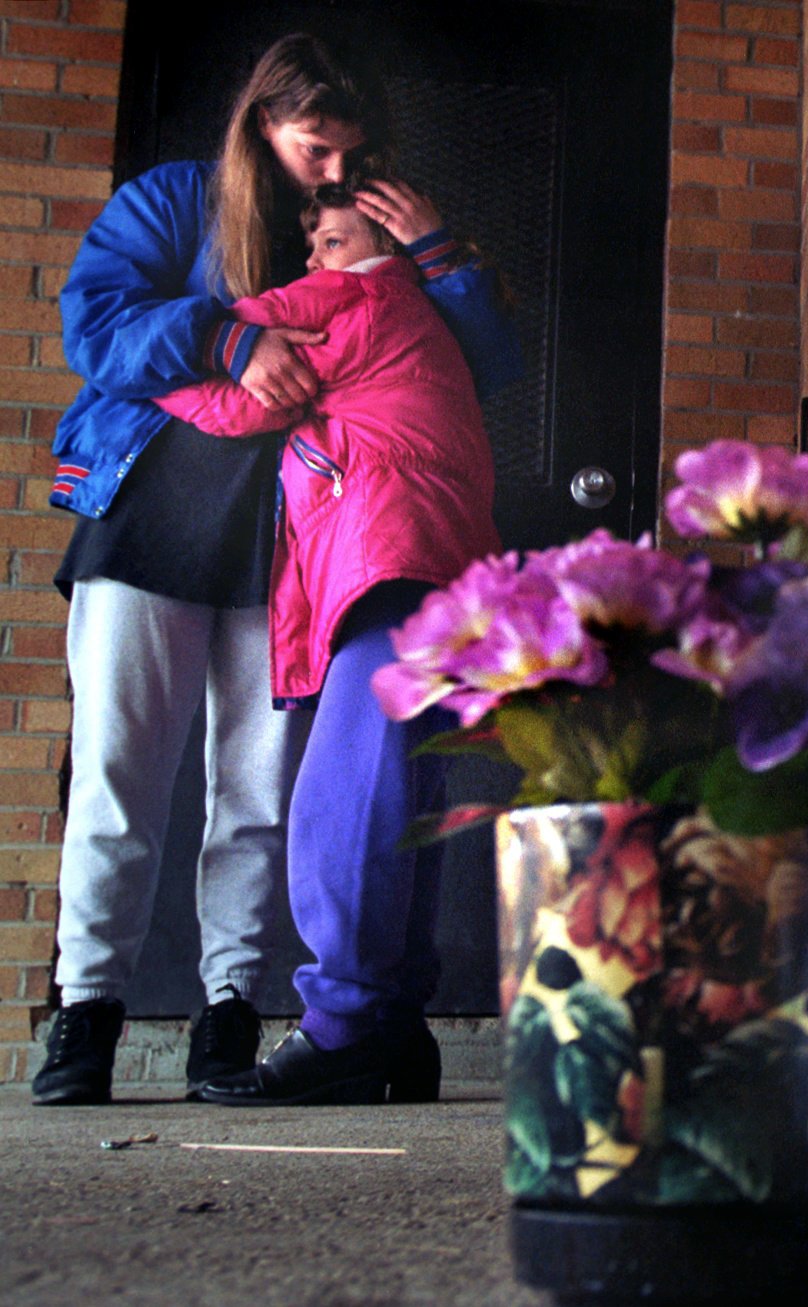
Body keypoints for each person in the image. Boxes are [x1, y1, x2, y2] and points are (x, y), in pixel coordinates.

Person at [33, 32, 521, 1106]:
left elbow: (474, 364)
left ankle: (230, 1011)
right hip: (150, 519)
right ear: (263, 124)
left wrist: (437, 251)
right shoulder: (179, 200)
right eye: (314, 148)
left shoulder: (374, 221)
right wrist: (226, 343)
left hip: (292, 544)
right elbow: (94, 325)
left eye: (351, 150)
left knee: (257, 793)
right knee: (118, 774)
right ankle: (85, 1009)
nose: (334, 172)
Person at [147, 189, 503, 1107]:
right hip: (441, 565)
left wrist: (148, 380)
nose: (312, 262)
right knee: (407, 800)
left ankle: (343, 1027)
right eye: (311, 247)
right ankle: (397, 1028)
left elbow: (232, 393)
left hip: (390, 559)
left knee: (344, 797)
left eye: (332, 239)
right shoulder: (428, 318)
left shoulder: (357, 296)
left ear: (385, 247)